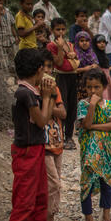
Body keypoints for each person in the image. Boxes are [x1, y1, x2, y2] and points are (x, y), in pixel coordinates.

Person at [1, 49, 60, 221]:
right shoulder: (26, 93)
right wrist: (47, 96)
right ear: (39, 70)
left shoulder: (30, 91)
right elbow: (42, 120)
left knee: (40, 198)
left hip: (36, 149)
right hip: (26, 151)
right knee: (24, 202)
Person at [77, 68, 111, 221]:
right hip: (89, 152)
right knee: (87, 183)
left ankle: (106, 216)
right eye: (89, 87)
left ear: (104, 87)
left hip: (106, 150)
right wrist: (92, 104)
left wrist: (93, 127)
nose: (93, 91)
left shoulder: (108, 105)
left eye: (97, 87)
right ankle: (89, 219)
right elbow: (85, 124)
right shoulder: (83, 104)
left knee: (107, 182)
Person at [39, 49, 67, 221]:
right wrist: (49, 102)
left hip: (57, 142)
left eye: (50, 67)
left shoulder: (54, 90)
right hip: (43, 144)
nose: (47, 71)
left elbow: (62, 113)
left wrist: (50, 103)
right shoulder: (35, 91)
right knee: (53, 184)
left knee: (55, 183)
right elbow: (43, 115)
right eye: (44, 67)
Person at [47, 18, 80, 150]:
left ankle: (69, 137)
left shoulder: (69, 44)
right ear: (52, 30)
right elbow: (59, 63)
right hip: (61, 77)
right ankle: (60, 135)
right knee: (63, 105)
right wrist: (60, 48)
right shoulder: (51, 46)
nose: (60, 32)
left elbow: (76, 60)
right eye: (57, 29)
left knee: (73, 107)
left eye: (62, 29)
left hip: (72, 76)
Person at [92, 34, 111, 104]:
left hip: (107, 78)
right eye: (99, 42)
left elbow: (104, 68)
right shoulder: (94, 55)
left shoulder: (103, 54)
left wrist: (110, 69)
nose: (102, 44)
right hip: (100, 79)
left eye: (104, 42)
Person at [74, 32, 100, 101]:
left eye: (87, 40)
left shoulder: (92, 53)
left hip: (91, 82)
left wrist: (95, 66)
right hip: (79, 83)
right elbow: (72, 70)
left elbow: (96, 64)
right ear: (77, 42)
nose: (84, 43)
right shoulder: (74, 54)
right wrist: (84, 69)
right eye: (82, 41)